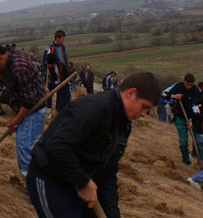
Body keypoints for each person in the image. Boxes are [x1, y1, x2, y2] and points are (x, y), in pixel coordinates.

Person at [27, 71, 160, 218]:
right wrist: (83, 182)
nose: (144, 114)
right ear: (131, 93)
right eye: (144, 107)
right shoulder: (93, 108)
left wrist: (112, 214)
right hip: (50, 178)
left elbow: (108, 171)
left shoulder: (124, 125)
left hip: (80, 186)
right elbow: (57, 147)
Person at [0, 39, 46, 175]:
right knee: (30, 146)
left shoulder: (18, 67)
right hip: (28, 108)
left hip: (33, 112)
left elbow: (29, 101)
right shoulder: (13, 54)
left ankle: (32, 182)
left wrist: (15, 122)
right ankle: (38, 179)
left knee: (25, 147)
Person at [162, 74, 203, 165]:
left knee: (199, 142)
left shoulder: (196, 90)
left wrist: (191, 120)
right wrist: (174, 96)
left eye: (191, 84)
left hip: (194, 118)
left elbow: (198, 106)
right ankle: (186, 161)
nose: (189, 86)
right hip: (180, 117)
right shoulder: (178, 86)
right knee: (183, 142)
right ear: (184, 81)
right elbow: (163, 94)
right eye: (187, 84)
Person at [188, 81, 203, 189]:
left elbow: (192, 112)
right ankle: (196, 179)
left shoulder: (196, 98)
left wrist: (191, 121)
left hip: (199, 133)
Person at [42, 30, 71, 112]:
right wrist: (46, 72)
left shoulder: (63, 47)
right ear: (57, 38)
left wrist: (66, 68)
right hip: (53, 75)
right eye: (62, 38)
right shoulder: (49, 49)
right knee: (49, 92)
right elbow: (44, 62)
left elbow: (65, 58)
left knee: (63, 93)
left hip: (63, 72)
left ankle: (60, 110)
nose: (63, 40)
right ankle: (49, 110)